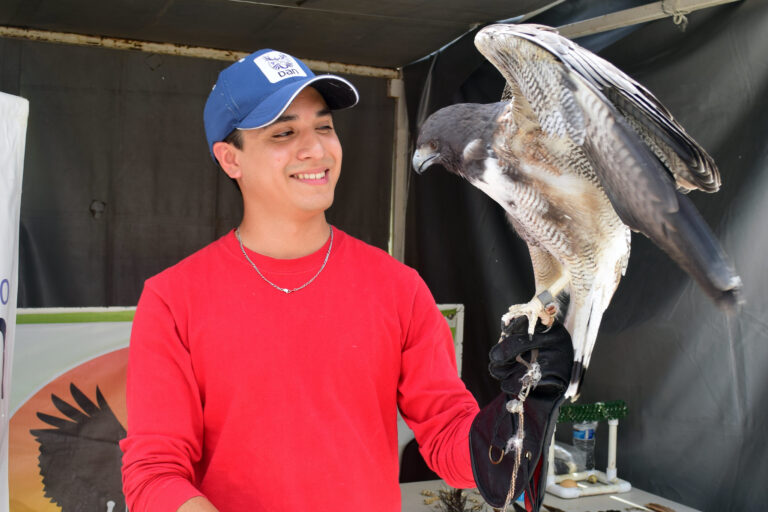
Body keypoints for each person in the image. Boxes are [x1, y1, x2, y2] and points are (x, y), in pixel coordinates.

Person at [120, 48, 573, 512]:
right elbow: (154, 471)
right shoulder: (174, 298)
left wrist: (517, 413)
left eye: (324, 126)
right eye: (284, 133)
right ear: (230, 159)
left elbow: (447, 437)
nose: (315, 149)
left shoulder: (398, 287)